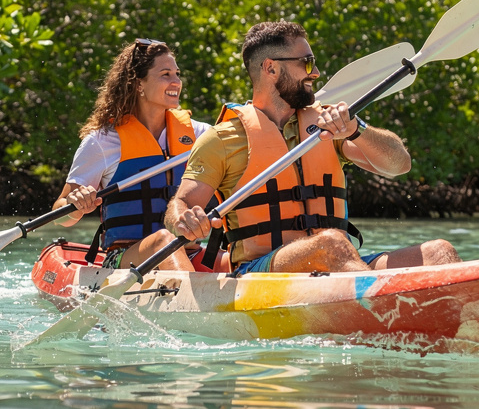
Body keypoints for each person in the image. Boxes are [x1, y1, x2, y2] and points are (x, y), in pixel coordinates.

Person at [164, 21, 459, 275]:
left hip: (339, 262)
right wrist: (184, 220)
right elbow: (180, 206)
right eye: (306, 62)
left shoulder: (329, 124)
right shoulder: (221, 139)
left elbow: (399, 165)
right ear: (271, 68)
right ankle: (375, 305)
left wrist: (356, 129)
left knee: (439, 252)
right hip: (260, 272)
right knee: (329, 244)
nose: (315, 72)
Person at [52, 38, 210, 271]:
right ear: (138, 84)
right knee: (163, 240)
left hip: (189, 251)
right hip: (125, 259)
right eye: (165, 74)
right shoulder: (102, 142)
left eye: (177, 74)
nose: (176, 81)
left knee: (229, 259)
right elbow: (60, 215)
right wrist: (76, 206)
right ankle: (190, 293)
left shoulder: (199, 134)